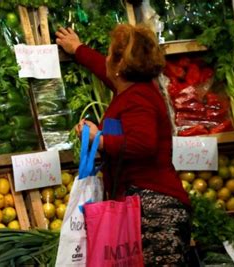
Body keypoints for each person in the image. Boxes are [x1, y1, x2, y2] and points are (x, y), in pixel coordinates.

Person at [56, 24, 191, 266]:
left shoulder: (138, 97)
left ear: (120, 65)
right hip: (144, 205)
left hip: (154, 211)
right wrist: (78, 49)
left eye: (109, 54)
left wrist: (100, 140)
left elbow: (143, 144)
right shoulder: (134, 88)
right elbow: (104, 68)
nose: (106, 58)